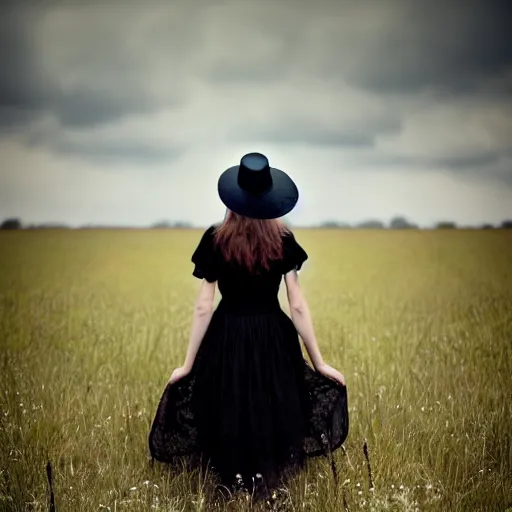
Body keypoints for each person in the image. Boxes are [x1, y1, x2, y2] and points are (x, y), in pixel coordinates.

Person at [149, 152, 349, 500]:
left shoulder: (216, 238)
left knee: (228, 399)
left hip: (227, 333)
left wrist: (188, 364)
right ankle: (263, 478)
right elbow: (297, 303)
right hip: (273, 334)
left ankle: (231, 481)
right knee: (270, 400)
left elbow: (203, 306)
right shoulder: (282, 239)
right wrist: (318, 361)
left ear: (233, 197)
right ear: (269, 198)